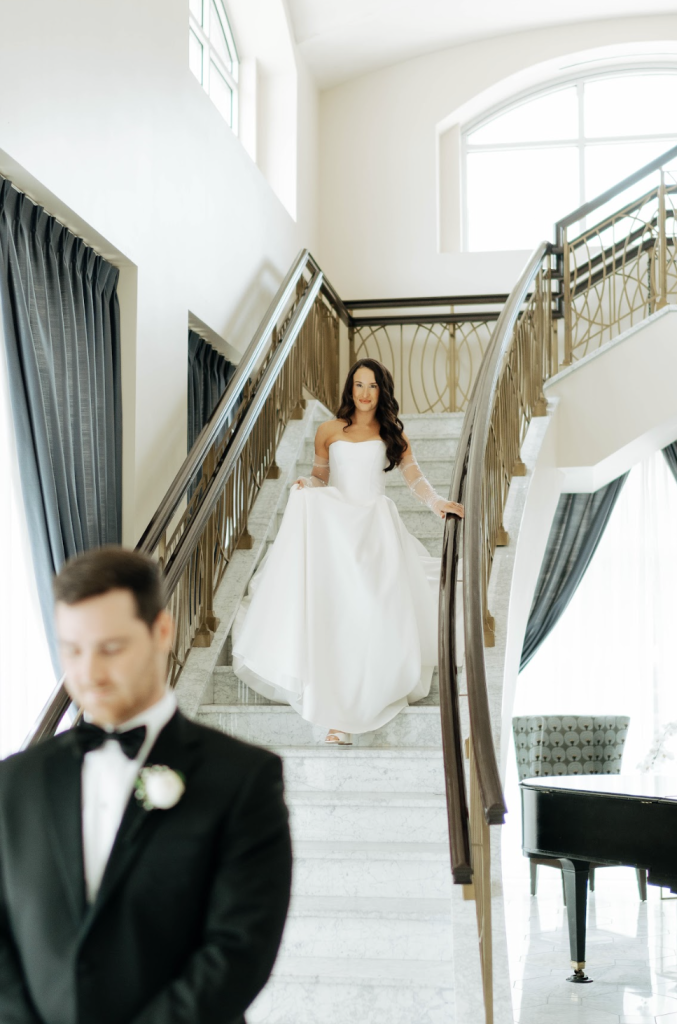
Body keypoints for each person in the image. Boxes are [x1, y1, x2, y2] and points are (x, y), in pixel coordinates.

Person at [0, 547, 292, 1024]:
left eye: (110, 648)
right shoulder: (14, 782)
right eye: (72, 650)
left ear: (161, 631)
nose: (89, 673)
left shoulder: (243, 779)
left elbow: (240, 950)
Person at [233, 358, 464, 745]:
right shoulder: (327, 430)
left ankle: (367, 699)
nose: (364, 393)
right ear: (349, 389)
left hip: (375, 530)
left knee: (372, 614)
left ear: (382, 390)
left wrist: (436, 502)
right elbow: (322, 474)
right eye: (358, 385)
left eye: (372, 386)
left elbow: (413, 476)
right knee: (336, 619)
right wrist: (308, 481)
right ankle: (335, 719)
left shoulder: (392, 434)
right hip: (337, 531)